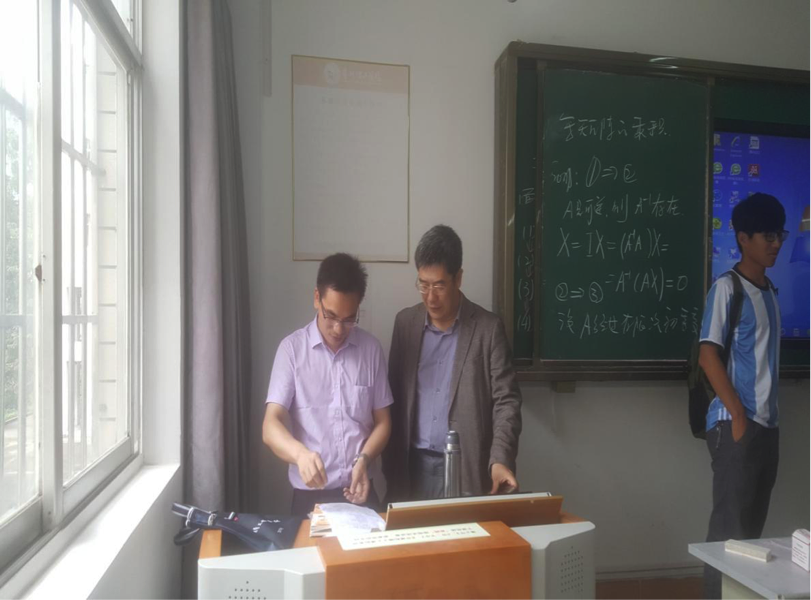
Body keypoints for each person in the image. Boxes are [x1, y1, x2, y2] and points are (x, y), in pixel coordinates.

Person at [383, 225, 522, 501]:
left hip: (467, 468)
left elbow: (506, 402)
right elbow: (391, 397)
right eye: (423, 285)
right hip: (410, 468)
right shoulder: (405, 324)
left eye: (439, 285)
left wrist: (500, 459)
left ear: (458, 278)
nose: (430, 297)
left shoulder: (487, 329)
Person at [699, 193, 787, 600]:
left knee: (751, 537)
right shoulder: (727, 288)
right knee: (728, 533)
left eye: (780, 234)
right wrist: (737, 415)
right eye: (767, 235)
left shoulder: (769, 291)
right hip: (737, 425)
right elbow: (707, 354)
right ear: (743, 238)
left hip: (767, 426)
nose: (776, 243)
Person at [263, 253, 392, 516]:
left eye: (349, 319)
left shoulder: (370, 350)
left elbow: (383, 422)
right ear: (316, 298)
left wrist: (365, 459)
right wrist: (300, 454)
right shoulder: (292, 351)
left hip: (360, 489)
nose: (338, 329)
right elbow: (270, 425)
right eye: (330, 316)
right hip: (310, 496)